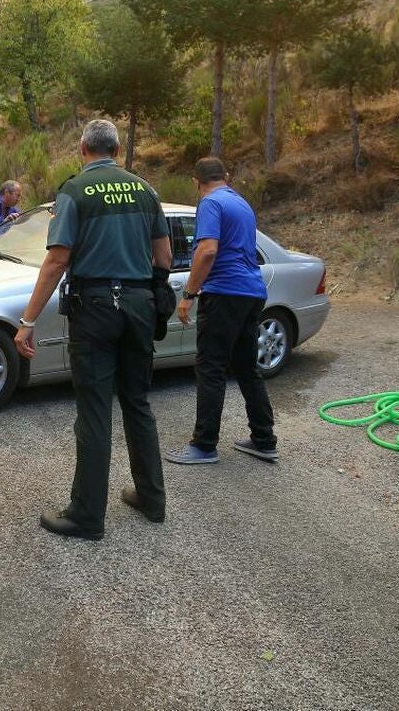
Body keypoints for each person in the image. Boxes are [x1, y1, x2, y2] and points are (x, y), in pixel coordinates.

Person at [14, 119, 172, 541]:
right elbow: (164, 255)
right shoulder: (145, 189)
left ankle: (86, 515)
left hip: (97, 307)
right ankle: (151, 498)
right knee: (137, 402)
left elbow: (57, 259)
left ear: (83, 148)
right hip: (139, 306)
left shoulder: (74, 191)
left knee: (95, 410)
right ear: (117, 150)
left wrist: (28, 321)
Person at [165, 157, 278, 465]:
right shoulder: (240, 203)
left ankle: (204, 445)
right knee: (246, 367)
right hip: (251, 292)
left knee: (211, 368)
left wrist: (188, 294)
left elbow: (208, 250)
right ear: (226, 176)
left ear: (195, 181)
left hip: (225, 293)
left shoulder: (210, 203)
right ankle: (264, 439)